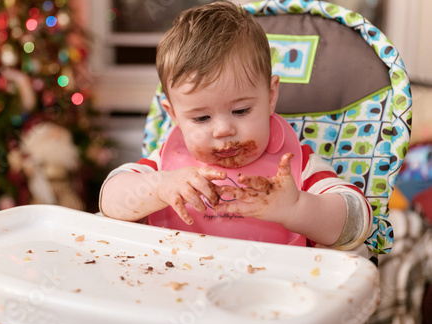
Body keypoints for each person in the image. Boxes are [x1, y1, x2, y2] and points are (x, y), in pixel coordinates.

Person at [99, 1, 372, 251]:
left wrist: (295, 208)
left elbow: (357, 223)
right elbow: (109, 201)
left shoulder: (293, 168)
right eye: (201, 118)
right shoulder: (167, 164)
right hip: (177, 287)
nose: (222, 130)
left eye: (240, 110)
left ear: (270, 97)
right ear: (174, 116)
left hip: (277, 294)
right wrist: (159, 186)